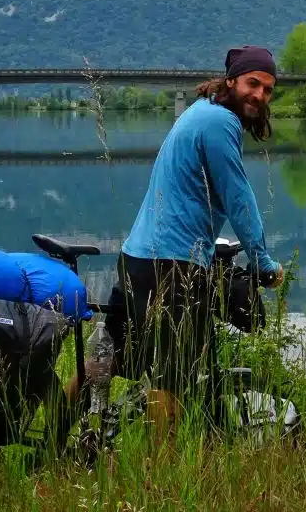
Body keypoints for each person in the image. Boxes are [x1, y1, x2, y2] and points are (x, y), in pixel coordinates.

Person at [118, 45, 284, 440]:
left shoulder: (200, 112)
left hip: (138, 257)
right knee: (171, 377)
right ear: (232, 82)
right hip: (173, 265)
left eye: (268, 89)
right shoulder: (219, 123)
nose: (259, 95)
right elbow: (238, 197)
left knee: (111, 361)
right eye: (253, 84)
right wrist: (263, 263)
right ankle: (162, 470)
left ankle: (56, 435)